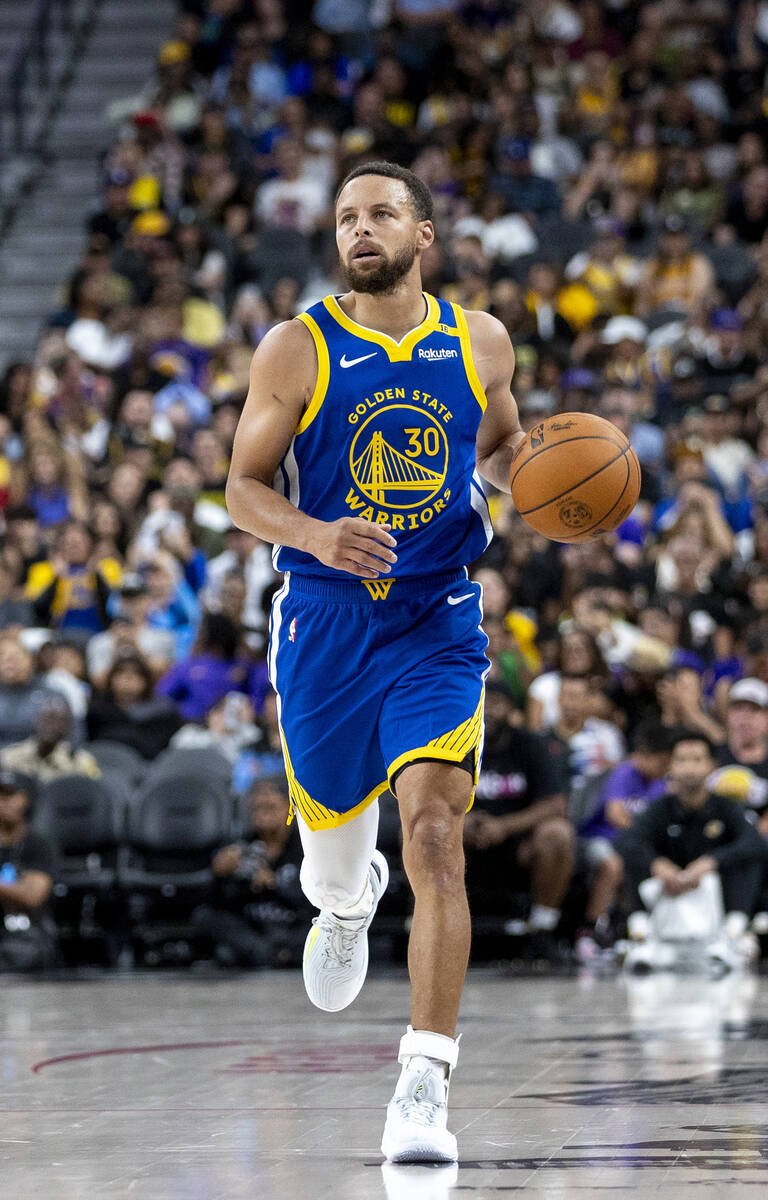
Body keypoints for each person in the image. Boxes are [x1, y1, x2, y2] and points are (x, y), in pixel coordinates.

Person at [226, 161, 524, 1163]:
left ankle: (422, 1086)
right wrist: (314, 533)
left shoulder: (480, 340)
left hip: (437, 623)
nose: (361, 228)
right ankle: (346, 904)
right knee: (335, 859)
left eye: (381, 212)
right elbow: (240, 488)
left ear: (423, 234)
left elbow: (503, 450)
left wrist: (546, 482)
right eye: (347, 215)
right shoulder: (296, 348)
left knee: (438, 836)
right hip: (326, 626)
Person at [616, 732, 765, 973]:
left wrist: (711, 861)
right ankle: (641, 936)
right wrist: (658, 865)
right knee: (633, 856)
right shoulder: (660, 808)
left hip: (715, 896)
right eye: (682, 760)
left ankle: (732, 935)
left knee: (748, 857)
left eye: (697, 760)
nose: (689, 768)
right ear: (671, 765)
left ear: (711, 766)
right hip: (669, 892)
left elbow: (754, 842)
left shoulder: (726, 807)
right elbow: (627, 842)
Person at [464, 683, 574, 964]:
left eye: (498, 703)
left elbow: (555, 804)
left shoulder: (531, 745)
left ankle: (542, 928)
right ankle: (420, 922)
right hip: (462, 840)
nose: (490, 710)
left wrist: (504, 827)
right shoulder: (454, 744)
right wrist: (464, 822)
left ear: (513, 711)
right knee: (418, 830)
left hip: (518, 844)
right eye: (484, 702)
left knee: (558, 834)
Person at [192, 777, 309, 968]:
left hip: (291, 925)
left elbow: (310, 903)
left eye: (271, 808)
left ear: (290, 809)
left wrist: (272, 884)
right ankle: (271, 954)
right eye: (258, 809)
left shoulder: (304, 848)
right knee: (205, 917)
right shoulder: (241, 846)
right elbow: (220, 904)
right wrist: (220, 875)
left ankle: (266, 953)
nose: (263, 815)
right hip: (255, 927)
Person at [0, 769, 58, 971]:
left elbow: (33, 895)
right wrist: (14, 887)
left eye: (10, 794)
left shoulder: (38, 844)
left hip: (26, 932)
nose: (3, 801)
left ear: (26, 798)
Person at [1, 695, 100, 782]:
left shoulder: (80, 761)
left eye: (60, 722)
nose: (53, 727)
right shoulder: (9, 757)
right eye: (47, 720)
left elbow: (95, 794)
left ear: (69, 727)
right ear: (35, 721)